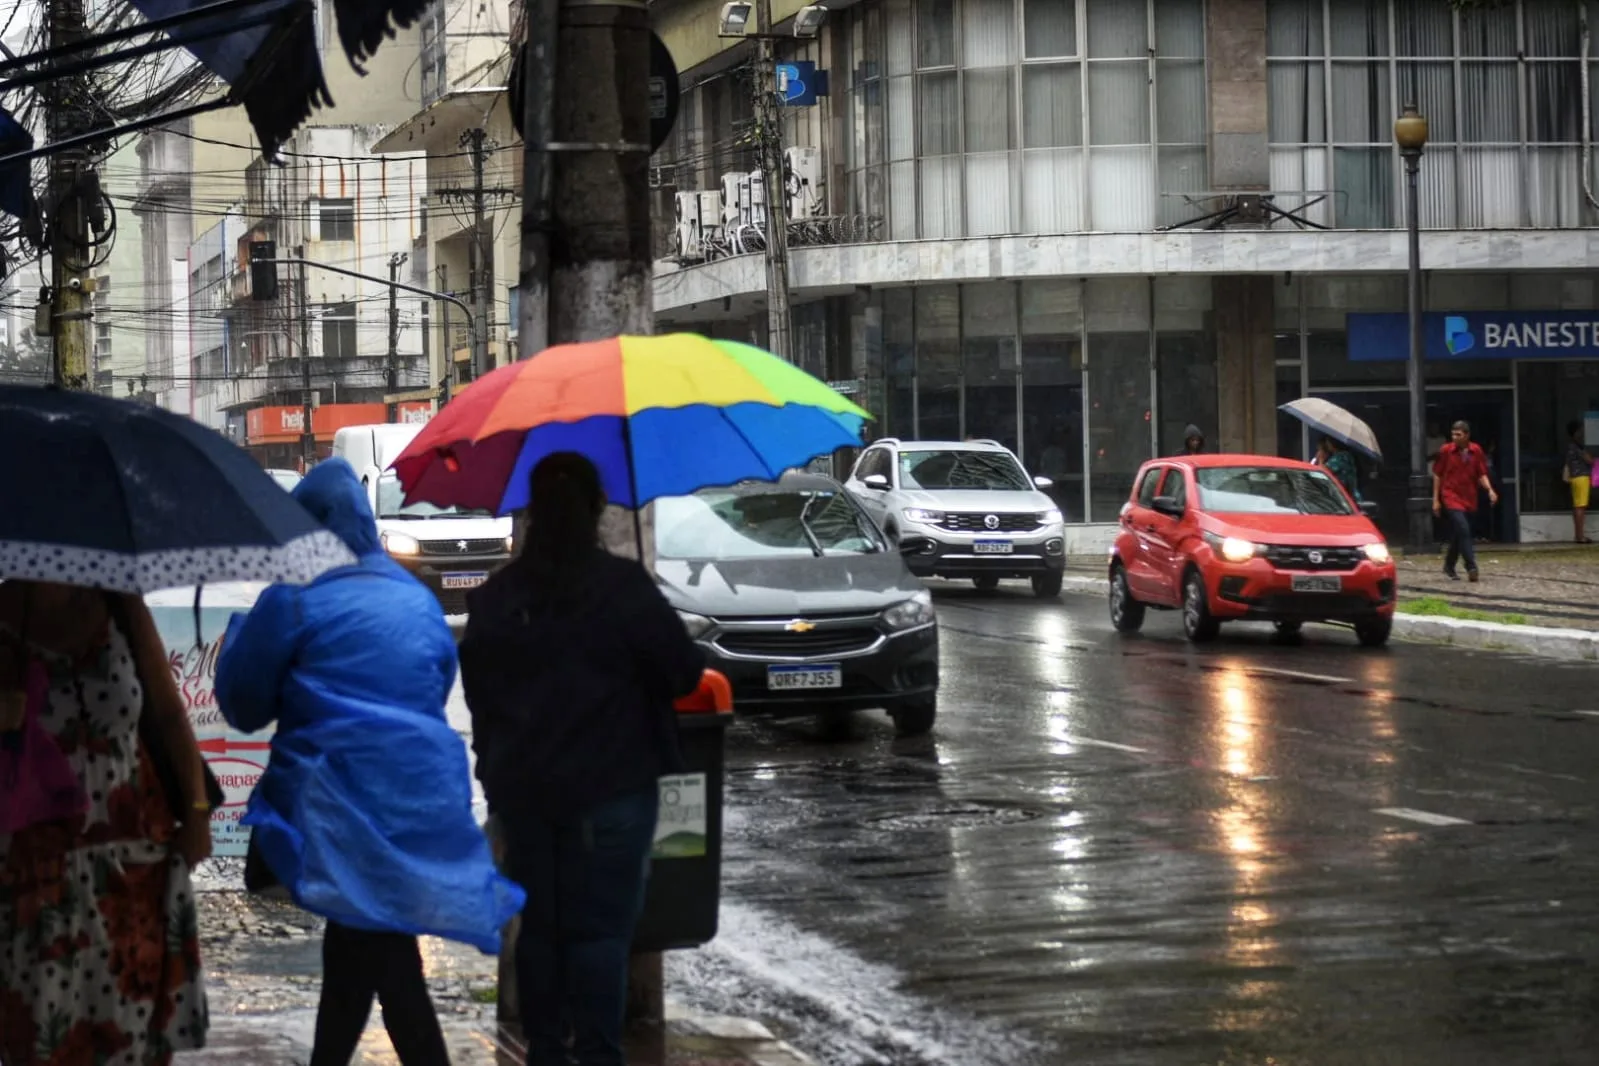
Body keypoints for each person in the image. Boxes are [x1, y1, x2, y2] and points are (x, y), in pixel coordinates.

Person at [214, 458, 524, 1066]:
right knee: (368, 940)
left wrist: (235, 640)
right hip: (424, 795)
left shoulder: (294, 598)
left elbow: (243, 706)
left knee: (376, 943)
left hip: (344, 802)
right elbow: (432, 683)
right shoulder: (414, 596)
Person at [460, 452, 705, 1066]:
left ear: (532, 512)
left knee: (540, 928)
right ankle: (598, 1053)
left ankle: (546, 1050)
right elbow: (681, 673)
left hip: (527, 794)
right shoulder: (624, 589)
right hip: (615, 791)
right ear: (597, 509)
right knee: (600, 933)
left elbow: (478, 692)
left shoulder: (497, 599)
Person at [0, 581, 211, 1066]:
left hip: (134, 873)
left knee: (132, 1041)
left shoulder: (119, 603)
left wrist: (197, 812)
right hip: (37, 881)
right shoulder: (7, 612)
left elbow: (168, 711)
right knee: (45, 1040)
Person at [1432, 420, 1497, 583]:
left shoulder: (1476, 451)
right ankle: (1471, 566)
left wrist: (1490, 490)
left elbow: (1481, 473)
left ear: (1467, 435)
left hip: (1469, 497)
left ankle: (1449, 565)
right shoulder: (1446, 451)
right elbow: (1437, 474)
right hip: (1451, 495)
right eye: (1453, 434)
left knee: (1459, 533)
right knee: (1463, 529)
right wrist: (1436, 500)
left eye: (1458, 435)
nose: (1455, 437)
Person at [1564, 420, 1593, 544]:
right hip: (1581, 477)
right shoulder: (1577, 446)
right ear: (1576, 432)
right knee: (1581, 507)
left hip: (1574, 478)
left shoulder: (1570, 446)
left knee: (1577, 506)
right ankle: (1580, 536)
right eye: (1580, 430)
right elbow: (1589, 460)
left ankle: (1578, 535)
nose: (1582, 433)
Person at [1320, 437, 1362, 503]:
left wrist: (1321, 459)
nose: (1327, 445)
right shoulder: (1344, 455)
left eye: (1328, 442)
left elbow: (1323, 472)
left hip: (1347, 499)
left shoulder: (1341, 457)